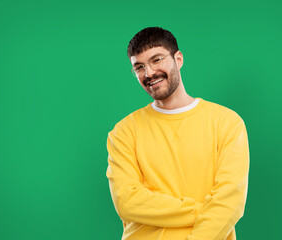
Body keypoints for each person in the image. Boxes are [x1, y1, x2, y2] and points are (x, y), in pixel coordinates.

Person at [106, 26, 250, 240]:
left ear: (178, 59)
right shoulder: (123, 132)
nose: (149, 73)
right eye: (139, 67)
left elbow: (230, 201)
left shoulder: (227, 123)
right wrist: (201, 211)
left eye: (156, 60)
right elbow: (126, 201)